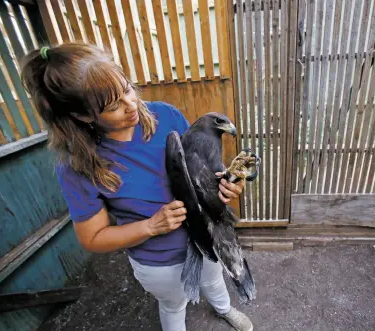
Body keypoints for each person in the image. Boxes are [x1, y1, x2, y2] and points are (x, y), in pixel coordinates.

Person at [20, 42, 253, 331]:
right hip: (160, 261)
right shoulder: (78, 168)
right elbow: (93, 238)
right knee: (173, 304)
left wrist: (224, 186)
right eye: (113, 105)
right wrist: (152, 226)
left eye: (127, 88)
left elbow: (199, 169)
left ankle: (224, 309)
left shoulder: (166, 116)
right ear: (82, 116)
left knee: (214, 277)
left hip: (206, 236)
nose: (131, 105)